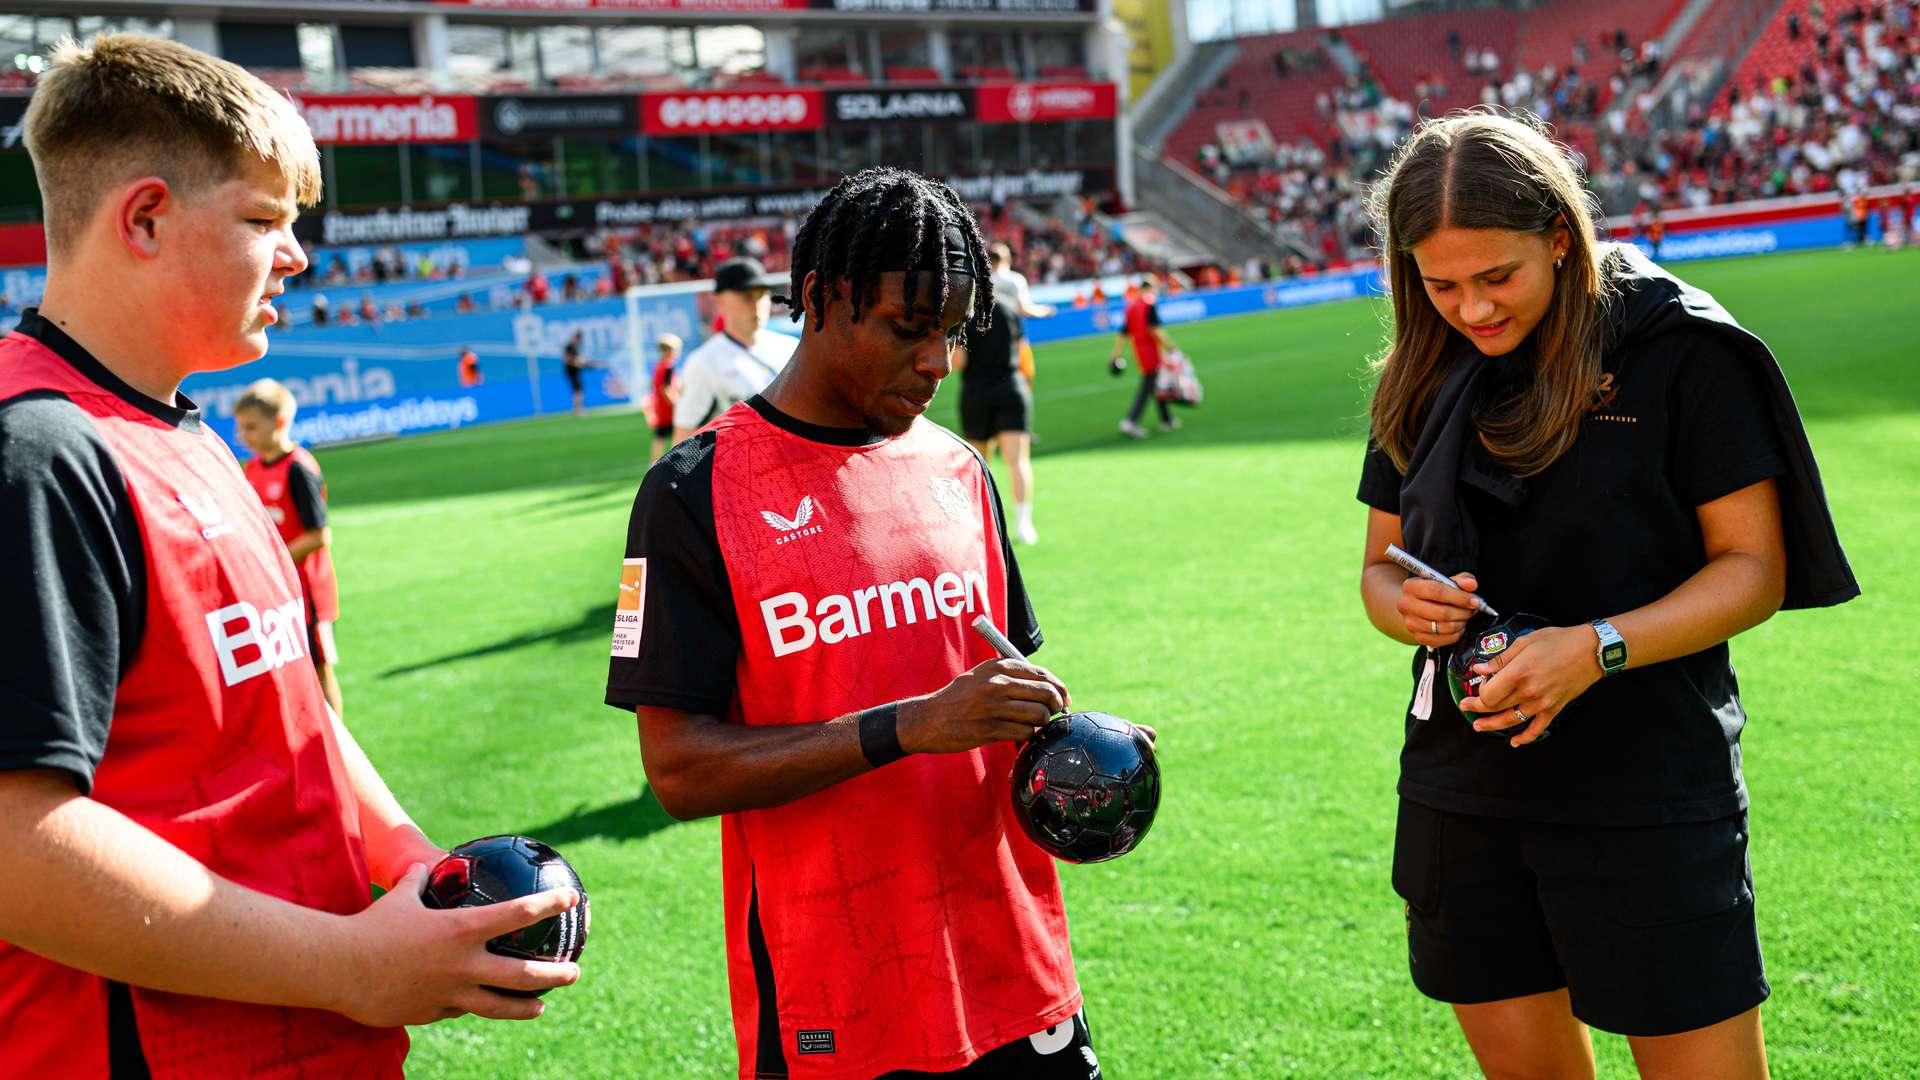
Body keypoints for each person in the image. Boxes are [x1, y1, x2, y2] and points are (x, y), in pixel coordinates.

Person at [0, 34, 581, 1076]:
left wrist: (409, 861)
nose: (299, 255)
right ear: (143, 218)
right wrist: (353, 965)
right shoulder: (36, 451)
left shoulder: (188, 431)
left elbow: (295, 712)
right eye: (265, 220)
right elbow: (15, 848)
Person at [1355, 112, 1857, 1080]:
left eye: (1497, 277)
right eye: (1441, 283)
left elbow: (1755, 567)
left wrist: (1598, 647)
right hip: (1466, 788)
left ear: (1558, 235)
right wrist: (1399, 604)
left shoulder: (1682, 350)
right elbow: (1382, 566)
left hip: (1649, 787)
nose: (1473, 310)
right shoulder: (1425, 366)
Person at [606, 167, 1126, 1078]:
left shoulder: (960, 470)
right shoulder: (689, 493)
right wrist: (908, 727)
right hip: (837, 1005)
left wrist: (1071, 756)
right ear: (817, 296)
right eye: (908, 327)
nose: (938, 362)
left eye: (954, 334)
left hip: (1017, 975)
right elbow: (679, 772)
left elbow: (996, 707)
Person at [233, 379, 345, 719]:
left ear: (279, 422)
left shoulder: (298, 467)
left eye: (251, 426)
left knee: (318, 667)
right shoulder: (251, 469)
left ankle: (338, 747)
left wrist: (273, 562)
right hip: (273, 591)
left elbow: (318, 535)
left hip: (307, 590)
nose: (243, 435)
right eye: (240, 427)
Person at [670, 255, 798, 444]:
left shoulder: (791, 348)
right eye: (746, 296)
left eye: (761, 294)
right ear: (720, 301)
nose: (756, 304)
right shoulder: (703, 363)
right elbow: (682, 440)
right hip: (741, 470)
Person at [953, 292, 1039, 544]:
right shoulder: (1008, 310)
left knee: (980, 465)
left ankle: (985, 525)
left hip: (977, 393)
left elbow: (959, 362)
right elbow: (1025, 355)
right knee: (1019, 461)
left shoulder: (964, 316)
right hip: (1012, 387)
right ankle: (1024, 523)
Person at [1109, 276, 1180, 438]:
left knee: (1158, 384)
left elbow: (1122, 334)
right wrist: (1170, 345)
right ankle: (1131, 421)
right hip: (1152, 351)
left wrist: (1116, 355)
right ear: (1151, 287)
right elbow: (1153, 330)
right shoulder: (1149, 304)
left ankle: (1167, 419)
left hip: (1139, 352)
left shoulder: (1132, 306)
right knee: (1148, 387)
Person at [647, 331, 682, 464]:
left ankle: (653, 464)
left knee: (659, 437)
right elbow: (665, 388)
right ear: (669, 350)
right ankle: (678, 462)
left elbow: (654, 385)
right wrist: (676, 404)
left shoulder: (658, 365)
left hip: (660, 407)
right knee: (679, 435)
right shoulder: (668, 366)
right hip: (669, 408)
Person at [562, 330, 594, 417]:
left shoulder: (576, 348)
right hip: (571, 372)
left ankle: (578, 408)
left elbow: (581, 361)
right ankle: (578, 409)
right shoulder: (569, 347)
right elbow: (567, 359)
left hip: (576, 371)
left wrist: (587, 364)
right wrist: (577, 362)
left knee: (578, 390)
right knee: (577, 390)